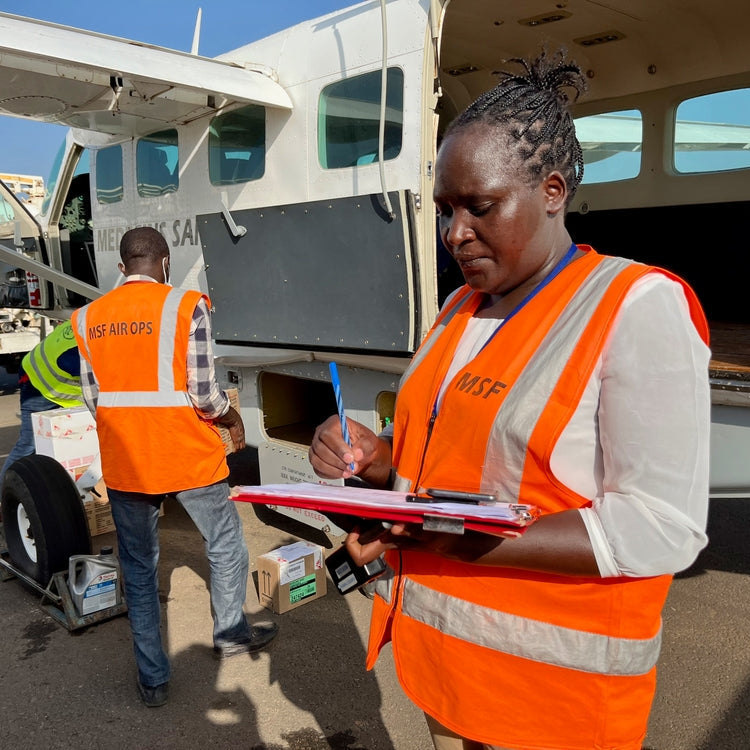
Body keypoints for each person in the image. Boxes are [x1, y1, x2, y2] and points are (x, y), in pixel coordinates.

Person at [309, 49, 711, 750]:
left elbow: (660, 527)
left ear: (552, 190)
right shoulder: (459, 309)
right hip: (446, 676)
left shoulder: (633, 306)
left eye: (479, 206)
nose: (454, 233)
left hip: (551, 704)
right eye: (444, 210)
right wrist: (374, 459)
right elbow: (446, 464)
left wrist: (451, 536)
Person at [71, 226, 278, 708]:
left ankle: (153, 679)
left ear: (122, 268)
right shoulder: (186, 306)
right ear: (164, 262)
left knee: (140, 569)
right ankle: (230, 634)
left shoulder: (87, 318)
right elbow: (204, 393)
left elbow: (93, 398)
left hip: (127, 465)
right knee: (225, 547)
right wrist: (230, 416)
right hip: (187, 457)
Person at [0, 319, 82, 487]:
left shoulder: (85, 318)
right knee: (29, 444)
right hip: (37, 384)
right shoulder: (78, 353)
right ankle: (5, 494)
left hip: (40, 373)